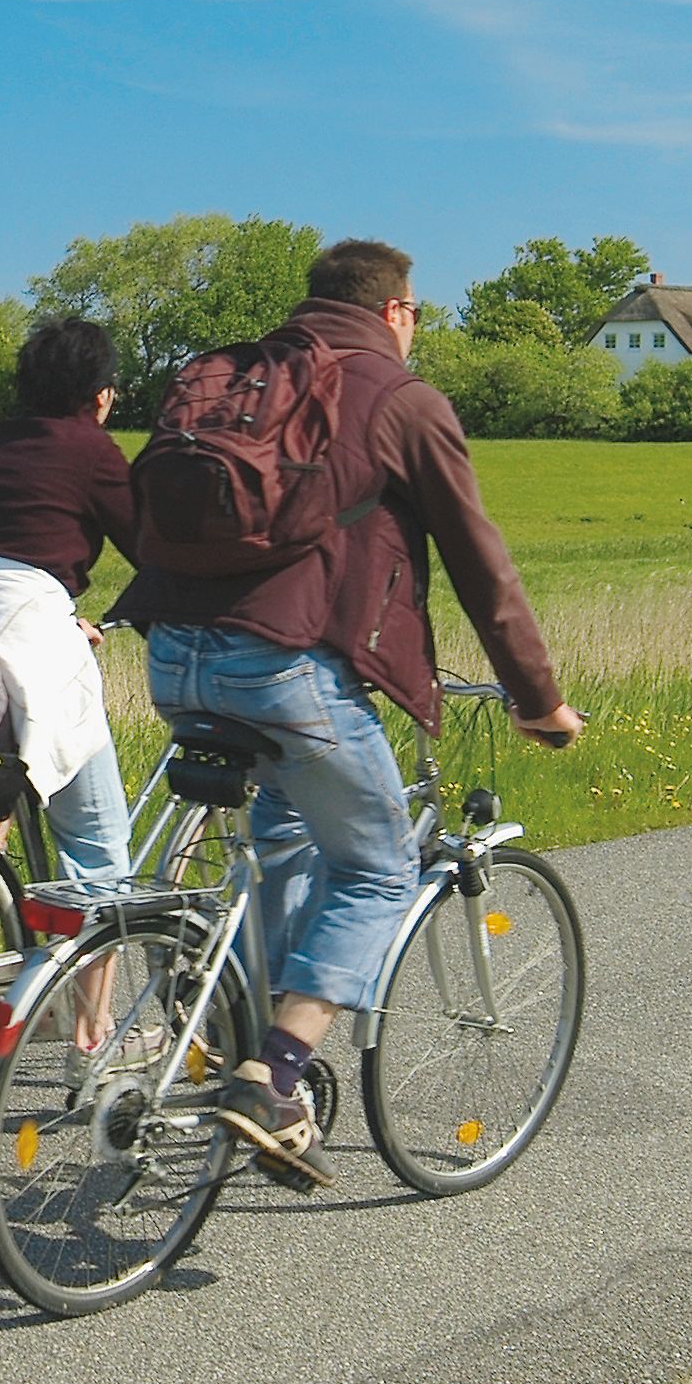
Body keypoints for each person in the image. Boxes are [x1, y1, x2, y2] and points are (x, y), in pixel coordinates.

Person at [109, 239, 584, 1187]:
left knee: (286, 834)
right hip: (284, 672)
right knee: (376, 868)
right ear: (397, 311)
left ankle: (250, 1034)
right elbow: (481, 565)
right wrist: (539, 701)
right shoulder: (402, 400)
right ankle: (272, 1072)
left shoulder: (239, 377)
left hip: (170, 654)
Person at [0, 315, 147, 893]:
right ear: (101, 394)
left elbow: (0, 555)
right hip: (24, 638)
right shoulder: (92, 448)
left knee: (14, 750)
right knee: (100, 858)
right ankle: (68, 954)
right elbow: (151, 546)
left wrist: (63, 625)